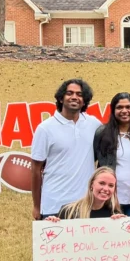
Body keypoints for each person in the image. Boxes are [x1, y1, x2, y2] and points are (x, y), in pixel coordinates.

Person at [31, 79, 100, 220]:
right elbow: (36, 169)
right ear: (61, 98)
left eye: (79, 94)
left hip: (85, 205)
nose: (74, 97)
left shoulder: (93, 124)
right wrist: (37, 206)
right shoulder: (45, 128)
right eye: (69, 93)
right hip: (54, 204)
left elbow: (117, 130)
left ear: (84, 100)